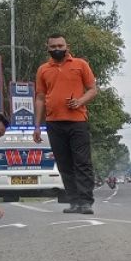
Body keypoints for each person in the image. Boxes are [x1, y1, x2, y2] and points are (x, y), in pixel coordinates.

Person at [33, 34, 99, 215]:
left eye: (60, 45)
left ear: (66, 46)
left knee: (82, 163)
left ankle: (86, 202)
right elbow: (39, 97)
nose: (57, 49)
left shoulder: (80, 65)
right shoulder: (43, 69)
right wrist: (37, 126)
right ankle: (74, 202)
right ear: (47, 48)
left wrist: (79, 101)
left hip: (78, 122)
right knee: (64, 164)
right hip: (54, 123)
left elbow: (93, 89)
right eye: (53, 46)